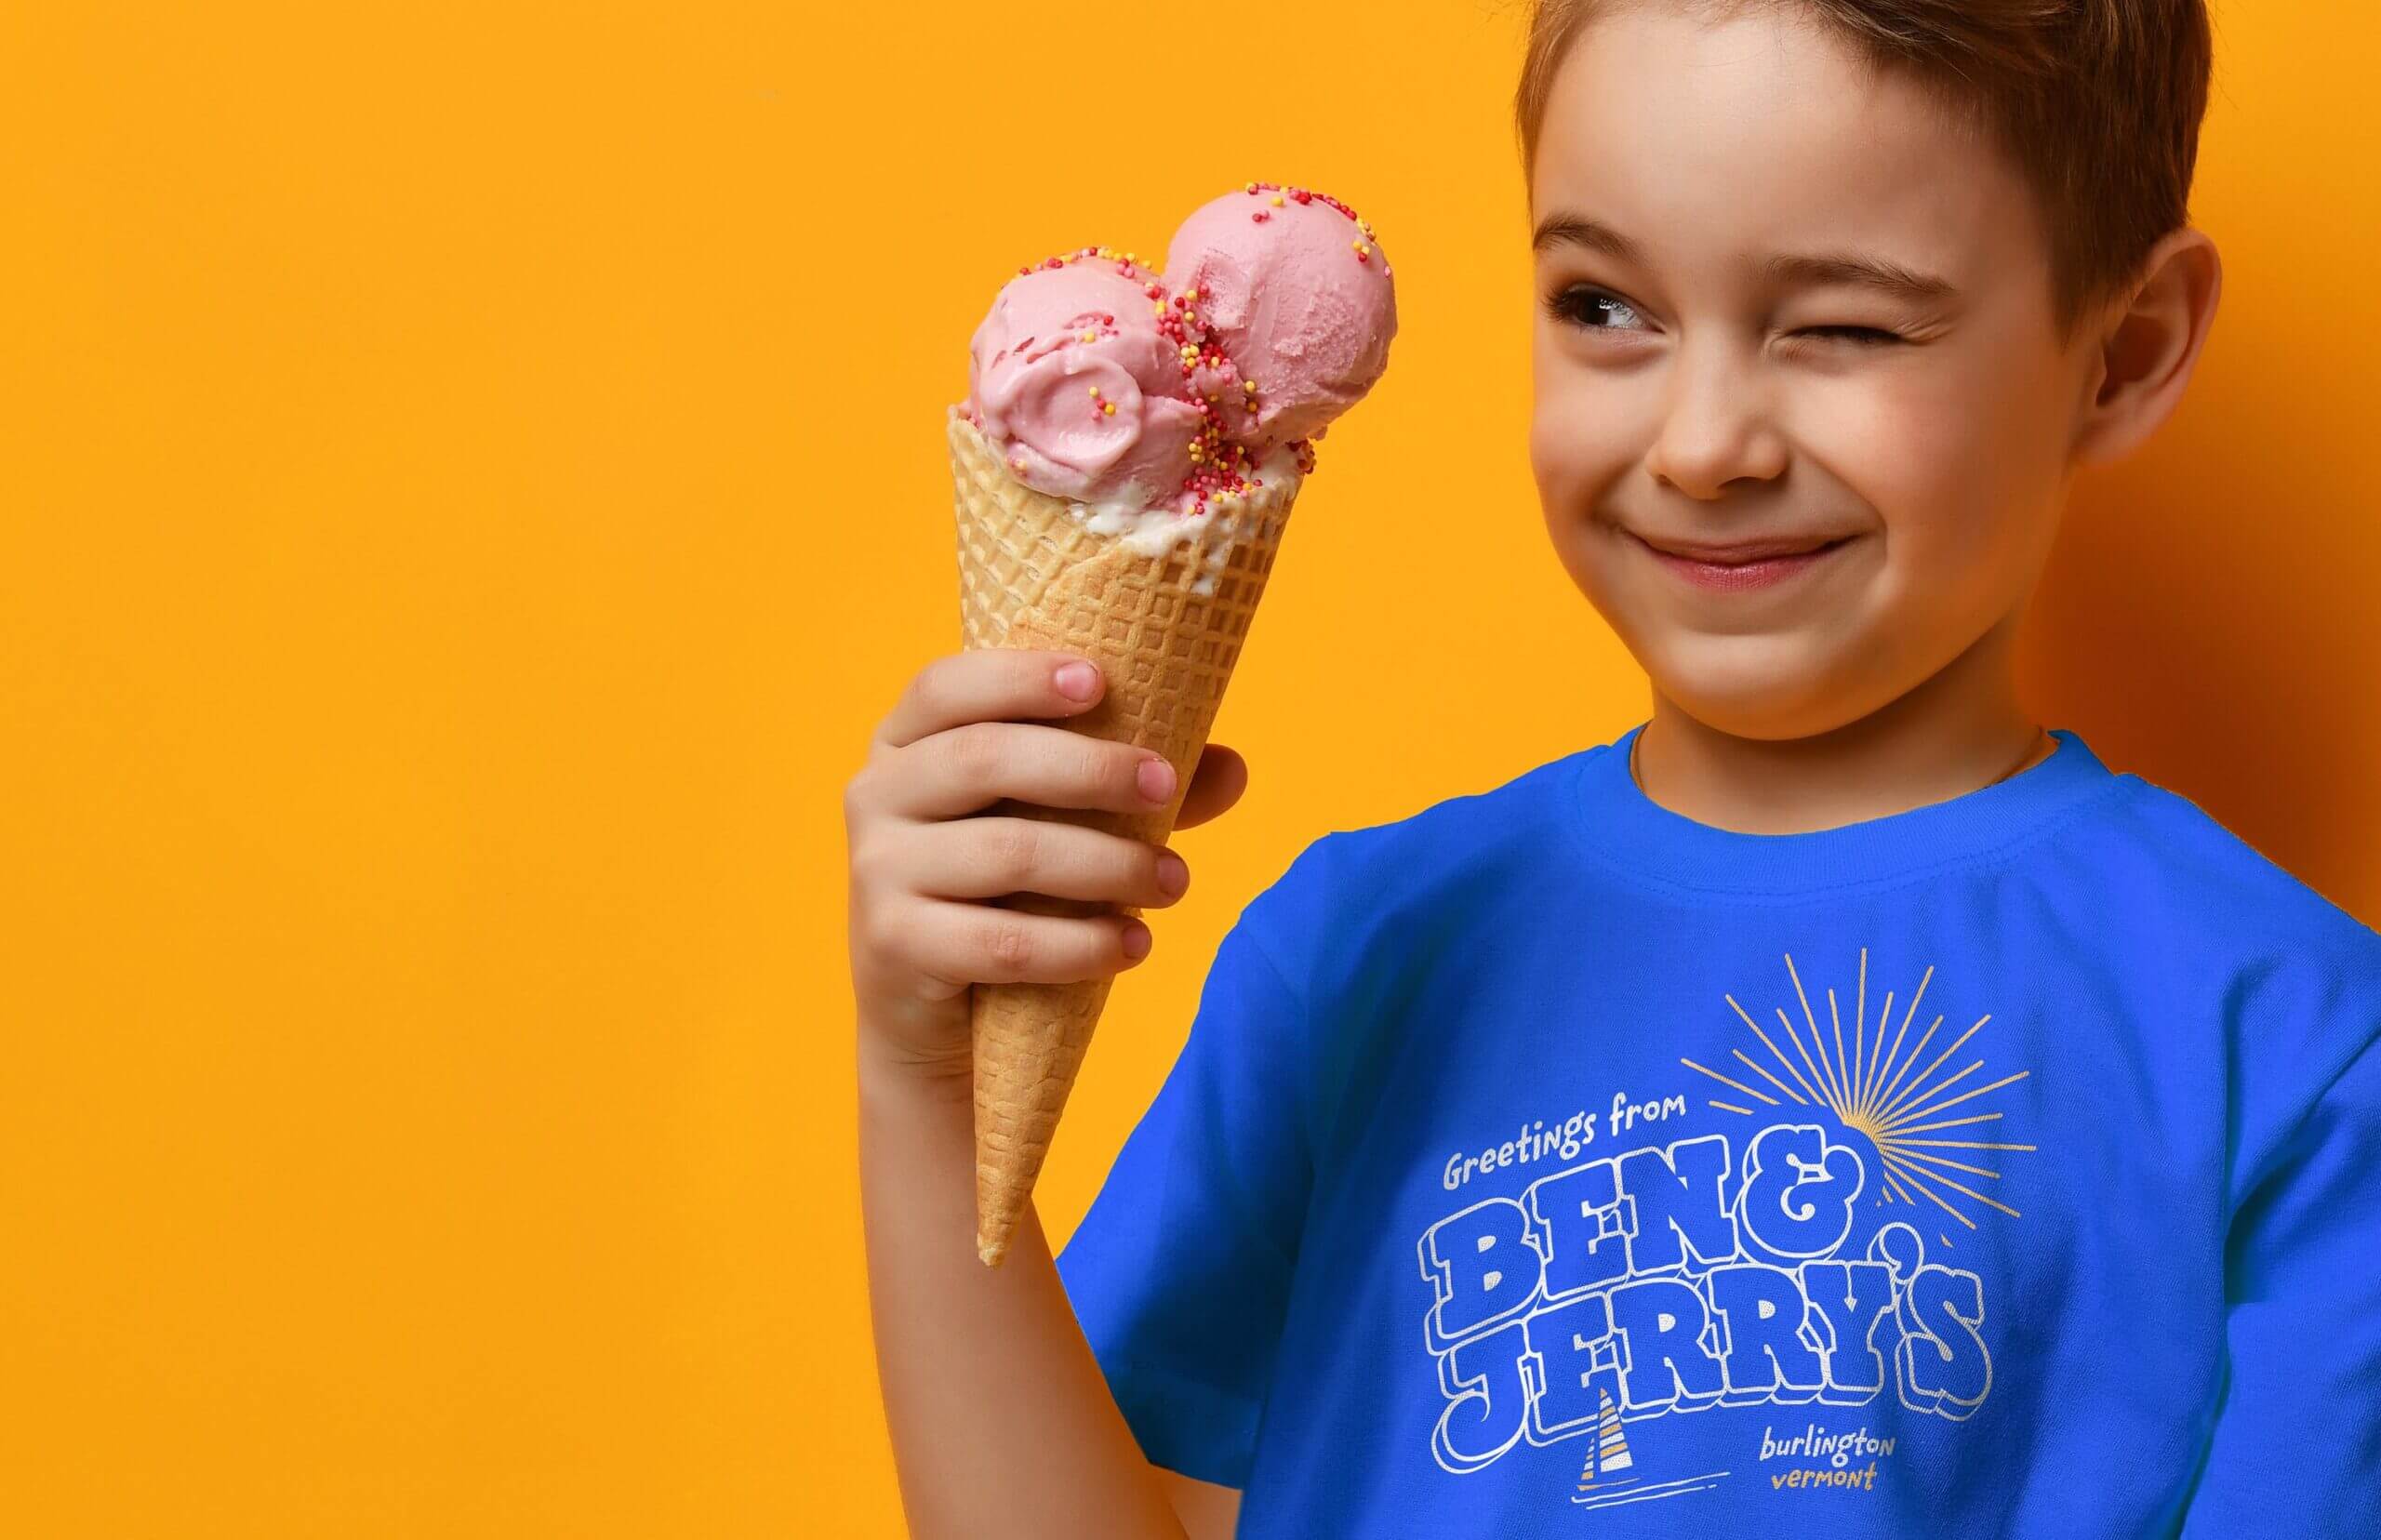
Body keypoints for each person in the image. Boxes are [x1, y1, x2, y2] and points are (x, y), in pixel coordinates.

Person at [846, 1, 2381, 1534]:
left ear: (2125, 350)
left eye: (1843, 324)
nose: (1704, 442)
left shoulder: (2294, 1044)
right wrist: (927, 1088)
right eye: (1605, 307)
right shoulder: (1362, 951)